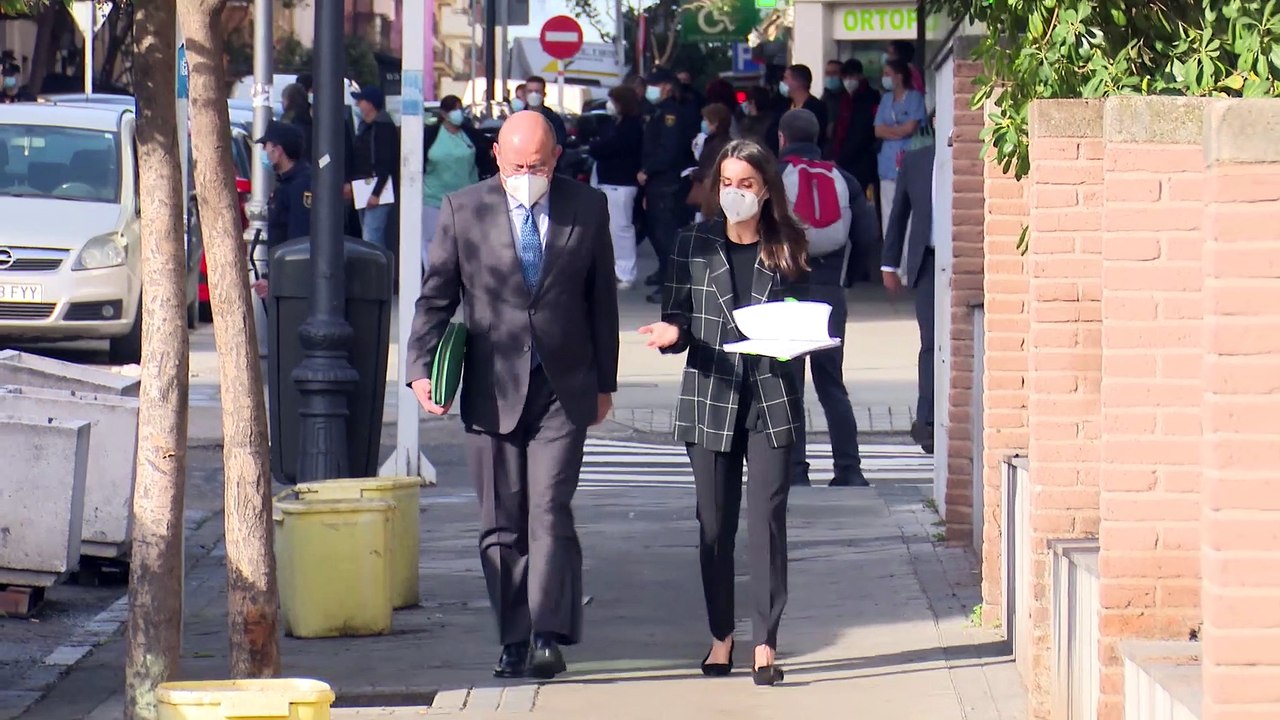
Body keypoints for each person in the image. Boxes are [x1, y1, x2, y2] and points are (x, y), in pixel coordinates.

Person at [406, 111, 619, 682]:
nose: (528, 175)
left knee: (549, 508)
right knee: (502, 520)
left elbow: (601, 301)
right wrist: (420, 368)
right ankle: (513, 638)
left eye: (539, 166)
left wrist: (605, 382)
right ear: (497, 155)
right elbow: (436, 295)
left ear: (557, 159)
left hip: (562, 383)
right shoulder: (464, 209)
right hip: (491, 383)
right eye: (518, 165)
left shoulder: (587, 206)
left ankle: (548, 633)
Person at [638, 139, 807, 687]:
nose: (736, 193)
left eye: (747, 184)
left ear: (766, 190)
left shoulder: (788, 245)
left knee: (767, 521)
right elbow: (678, 316)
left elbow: (810, 316)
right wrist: (671, 334)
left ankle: (765, 641)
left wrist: (802, 336)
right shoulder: (693, 242)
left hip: (771, 399)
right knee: (714, 525)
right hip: (711, 396)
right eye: (727, 183)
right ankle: (720, 635)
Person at [776, 109, 876, 487]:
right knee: (831, 383)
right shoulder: (844, 179)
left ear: (782, 138)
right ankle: (849, 469)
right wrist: (847, 276)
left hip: (787, 289)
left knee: (790, 384)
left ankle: (795, 471)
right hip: (830, 291)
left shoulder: (774, 176)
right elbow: (866, 237)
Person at [882, 136, 938, 455]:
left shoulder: (976, 158)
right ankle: (927, 420)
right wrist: (889, 264)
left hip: (966, 258)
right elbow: (899, 214)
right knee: (930, 341)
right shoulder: (916, 161)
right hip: (927, 261)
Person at [638, 67, 699, 304]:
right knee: (658, 234)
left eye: (654, 85)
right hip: (658, 183)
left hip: (667, 182)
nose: (650, 90)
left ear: (665, 87)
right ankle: (666, 279)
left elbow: (669, 150)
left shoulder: (670, 113)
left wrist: (648, 170)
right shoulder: (659, 111)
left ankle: (673, 287)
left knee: (668, 237)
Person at [422, 95, 496, 267]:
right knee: (433, 243)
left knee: (466, 244)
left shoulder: (470, 135)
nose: (458, 113)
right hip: (434, 200)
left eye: (459, 108)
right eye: (453, 109)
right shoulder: (431, 135)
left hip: (466, 199)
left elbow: (484, 158)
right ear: (444, 113)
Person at [588, 84, 645, 290]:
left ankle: (626, 273)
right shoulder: (614, 124)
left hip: (621, 183)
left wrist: (597, 146)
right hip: (607, 181)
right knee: (609, 229)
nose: (610, 105)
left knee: (621, 229)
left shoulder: (632, 127)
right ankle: (614, 269)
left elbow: (609, 147)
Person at [251, 122, 312, 298]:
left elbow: (298, 241)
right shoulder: (285, 184)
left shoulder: (301, 185)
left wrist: (279, 281)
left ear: (278, 150)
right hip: (286, 279)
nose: (264, 152)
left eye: (266, 146)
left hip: (295, 284)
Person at [873, 59, 927, 239]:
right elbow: (878, 130)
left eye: (887, 74)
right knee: (888, 212)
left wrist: (892, 131)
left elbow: (910, 128)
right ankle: (890, 254)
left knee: (908, 213)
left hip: (909, 159)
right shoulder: (886, 99)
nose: (884, 78)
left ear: (899, 76)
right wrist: (899, 131)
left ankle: (907, 255)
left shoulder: (914, 98)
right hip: (888, 164)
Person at [351, 86, 400, 250]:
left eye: (361, 101)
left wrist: (376, 193)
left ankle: (378, 265)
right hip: (363, 187)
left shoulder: (383, 128)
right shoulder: (364, 127)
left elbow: (386, 162)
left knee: (371, 236)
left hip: (378, 188)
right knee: (368, 234)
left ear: (371, 104)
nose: (357, 104)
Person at [770, 64, 827, 157]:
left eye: (785, 78)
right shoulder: (784, 106)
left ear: (797, 82)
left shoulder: (816, 107)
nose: (782, 82)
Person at [688, 102, 732, 212]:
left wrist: (695, 173)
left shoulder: (720, 144)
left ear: (715, 123)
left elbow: (711, 169)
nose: (703, 123)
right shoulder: (711, 141)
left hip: (712, 194)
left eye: (705, 120)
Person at [522, 76, 568, 148]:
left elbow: (559, 144)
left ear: (544, 94)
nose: (534, 95)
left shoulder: (554, 119)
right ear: (525, 94)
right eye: (530, 91)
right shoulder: (517, 118)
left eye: (537, 91)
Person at [279, 82, 313, 159]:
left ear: (288, 101)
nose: (282, 103)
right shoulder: (312, 123)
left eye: (283, 100)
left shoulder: (286, 126)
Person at [820, 59, 846, 150]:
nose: (830, 77)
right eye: (828, 73)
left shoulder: (848, 98)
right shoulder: (825, 97)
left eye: (834, 73)